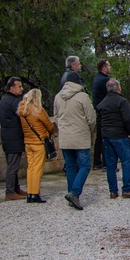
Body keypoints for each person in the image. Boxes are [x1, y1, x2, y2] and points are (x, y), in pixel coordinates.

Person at [54, 77, 97, 210]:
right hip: (80, 136)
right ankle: (74, 192)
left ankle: (72, 194)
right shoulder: (83, 97)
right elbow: (91, 118)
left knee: (71, 167)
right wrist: (89, 131)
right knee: (85, 165)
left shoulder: (58, 97)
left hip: (65, 137)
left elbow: (56, 117)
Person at [97, 79, 130, 200]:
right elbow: (127, 119)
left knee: (111, 165)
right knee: (127, 162)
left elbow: (99, 120)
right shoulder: (122, 102)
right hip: (120, 135)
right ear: (119, 88)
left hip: (106, 136)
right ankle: (127, 188)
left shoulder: (103, 103)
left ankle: (113, 191)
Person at [18, 89, 56, 203]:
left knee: (30, 168)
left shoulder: (22, 110)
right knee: (37, 169)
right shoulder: (39, 111)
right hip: (39, 142)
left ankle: (30, 192)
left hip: (28, 142)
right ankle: (35, 193)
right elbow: (49, 125)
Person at [0, 77, 27, 201]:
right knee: (13, 166)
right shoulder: (13, 102)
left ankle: (15, 188)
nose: (21, 89)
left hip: (8, 137)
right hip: (13, 138)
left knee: (13, 165)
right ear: (11, 88)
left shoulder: (4, 99)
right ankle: (10, 191)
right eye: (19, 86)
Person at [90, 59, 111, 170]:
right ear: (104, 68)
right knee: (105, 138)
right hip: (105, 113)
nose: (110, 67)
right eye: (108, 66)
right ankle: (106, 163)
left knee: (99, 138)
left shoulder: (96, 79)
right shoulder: (104, 80)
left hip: (99, 111)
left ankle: (97, 162)